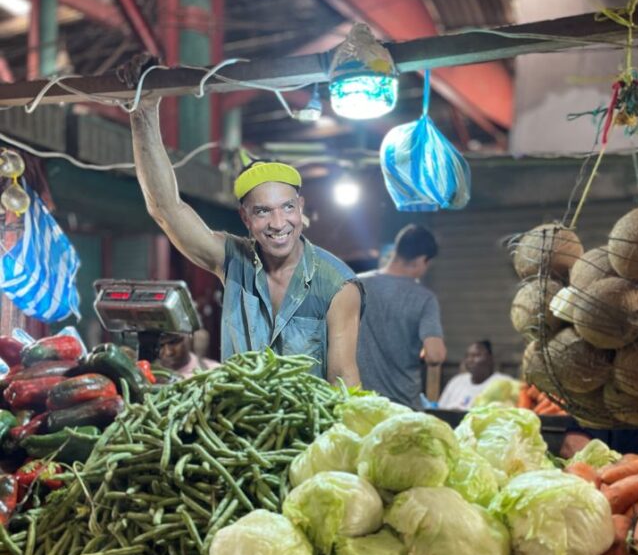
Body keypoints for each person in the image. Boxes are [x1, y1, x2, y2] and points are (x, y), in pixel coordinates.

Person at [128, 89, 362, 386]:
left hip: (310, 429)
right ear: (246, 218)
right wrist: (143, 112)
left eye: (287, 208)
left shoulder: (338, 285)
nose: (278, 223)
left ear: (300, 208)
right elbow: (166, 209)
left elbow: (343, 377)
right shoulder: (233, 261)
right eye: (263, 211)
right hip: (239, 425)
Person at [356, 224, 446, 409]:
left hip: (359, 402)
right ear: (422, 260)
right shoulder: (424, 299)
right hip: (403, 406)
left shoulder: (356, 284)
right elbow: (435, 355)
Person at [438, 340, 510, 410]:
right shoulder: (456, 382)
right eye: (467, 356)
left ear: (490, 358)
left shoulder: (504, 382)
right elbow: (440, 409)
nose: (470, 360)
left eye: (476, 355)